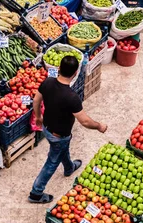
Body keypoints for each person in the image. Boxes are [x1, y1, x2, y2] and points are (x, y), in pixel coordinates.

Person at [28, 55, 108, 204]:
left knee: (61, 149)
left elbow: (36, 100)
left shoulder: (48, 82)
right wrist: (99, 126)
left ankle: (69, 167)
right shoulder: (72, 97)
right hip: (59, 135)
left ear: (59, 68)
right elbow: (84, 121)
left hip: (47, 128)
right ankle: (36, 193)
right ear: (75, 73)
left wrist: (38, 117)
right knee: (52, 162)